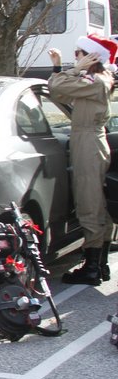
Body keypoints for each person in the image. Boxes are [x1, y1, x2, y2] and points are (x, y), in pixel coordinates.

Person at [48, 34, 117, 286]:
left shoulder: (95, 80)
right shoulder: (95, 80)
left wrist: (71, 69)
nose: (76, 56)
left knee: (90, 203)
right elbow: (61, 96)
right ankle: (100, 264)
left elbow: (56, 88)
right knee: (96, 202)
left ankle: (92, 267)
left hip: (88, 141)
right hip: (88, 138)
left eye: (79, 53)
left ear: (92, 56)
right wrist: (60, 68)